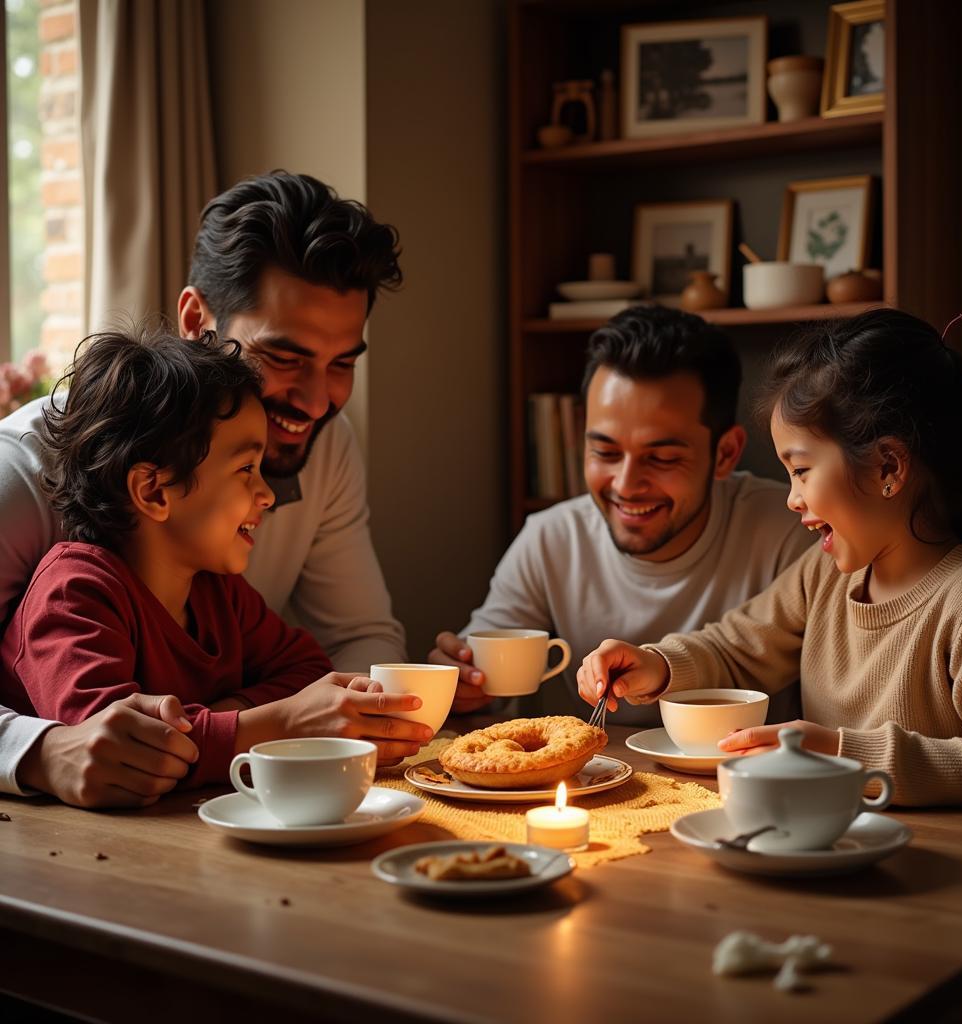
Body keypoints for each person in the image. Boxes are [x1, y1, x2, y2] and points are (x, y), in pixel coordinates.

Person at [0, 171, 409, 804]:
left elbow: (351, 641)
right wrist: (44, 752)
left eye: (343, 364)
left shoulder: (311, 456)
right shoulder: (21, 476)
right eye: (285, 356)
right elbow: (114, 740)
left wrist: (229, 718)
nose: (315, 400)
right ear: (197, 319)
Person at [578, 308, 962, 806]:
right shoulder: (824, 573)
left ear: (889, 467)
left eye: (801, 470)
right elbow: (736, 649)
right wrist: (657, 664)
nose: (792, 498)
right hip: (817, 839)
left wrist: (840, 751)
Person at [430, 306, 812, 724]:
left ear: (724, 454)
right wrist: (463, 682)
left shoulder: (795, 531)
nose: (627, 485)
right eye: (605, 452)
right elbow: (482, 677)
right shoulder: (552, 538)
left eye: (662, 458)